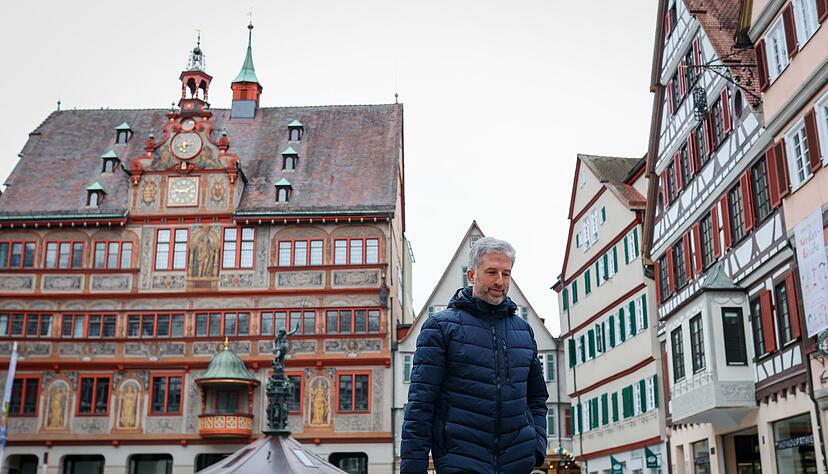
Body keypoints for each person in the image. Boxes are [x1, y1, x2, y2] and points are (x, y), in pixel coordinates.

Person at [401, 237, 548, 473]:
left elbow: (537, 399)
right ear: (471, 276)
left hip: (517, 461)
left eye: (506, 273)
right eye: (491, 272)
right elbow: (420, 406)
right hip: (460, 461)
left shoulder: (523, 331)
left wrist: (537, 446)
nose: (500, 281)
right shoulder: (440, 328)